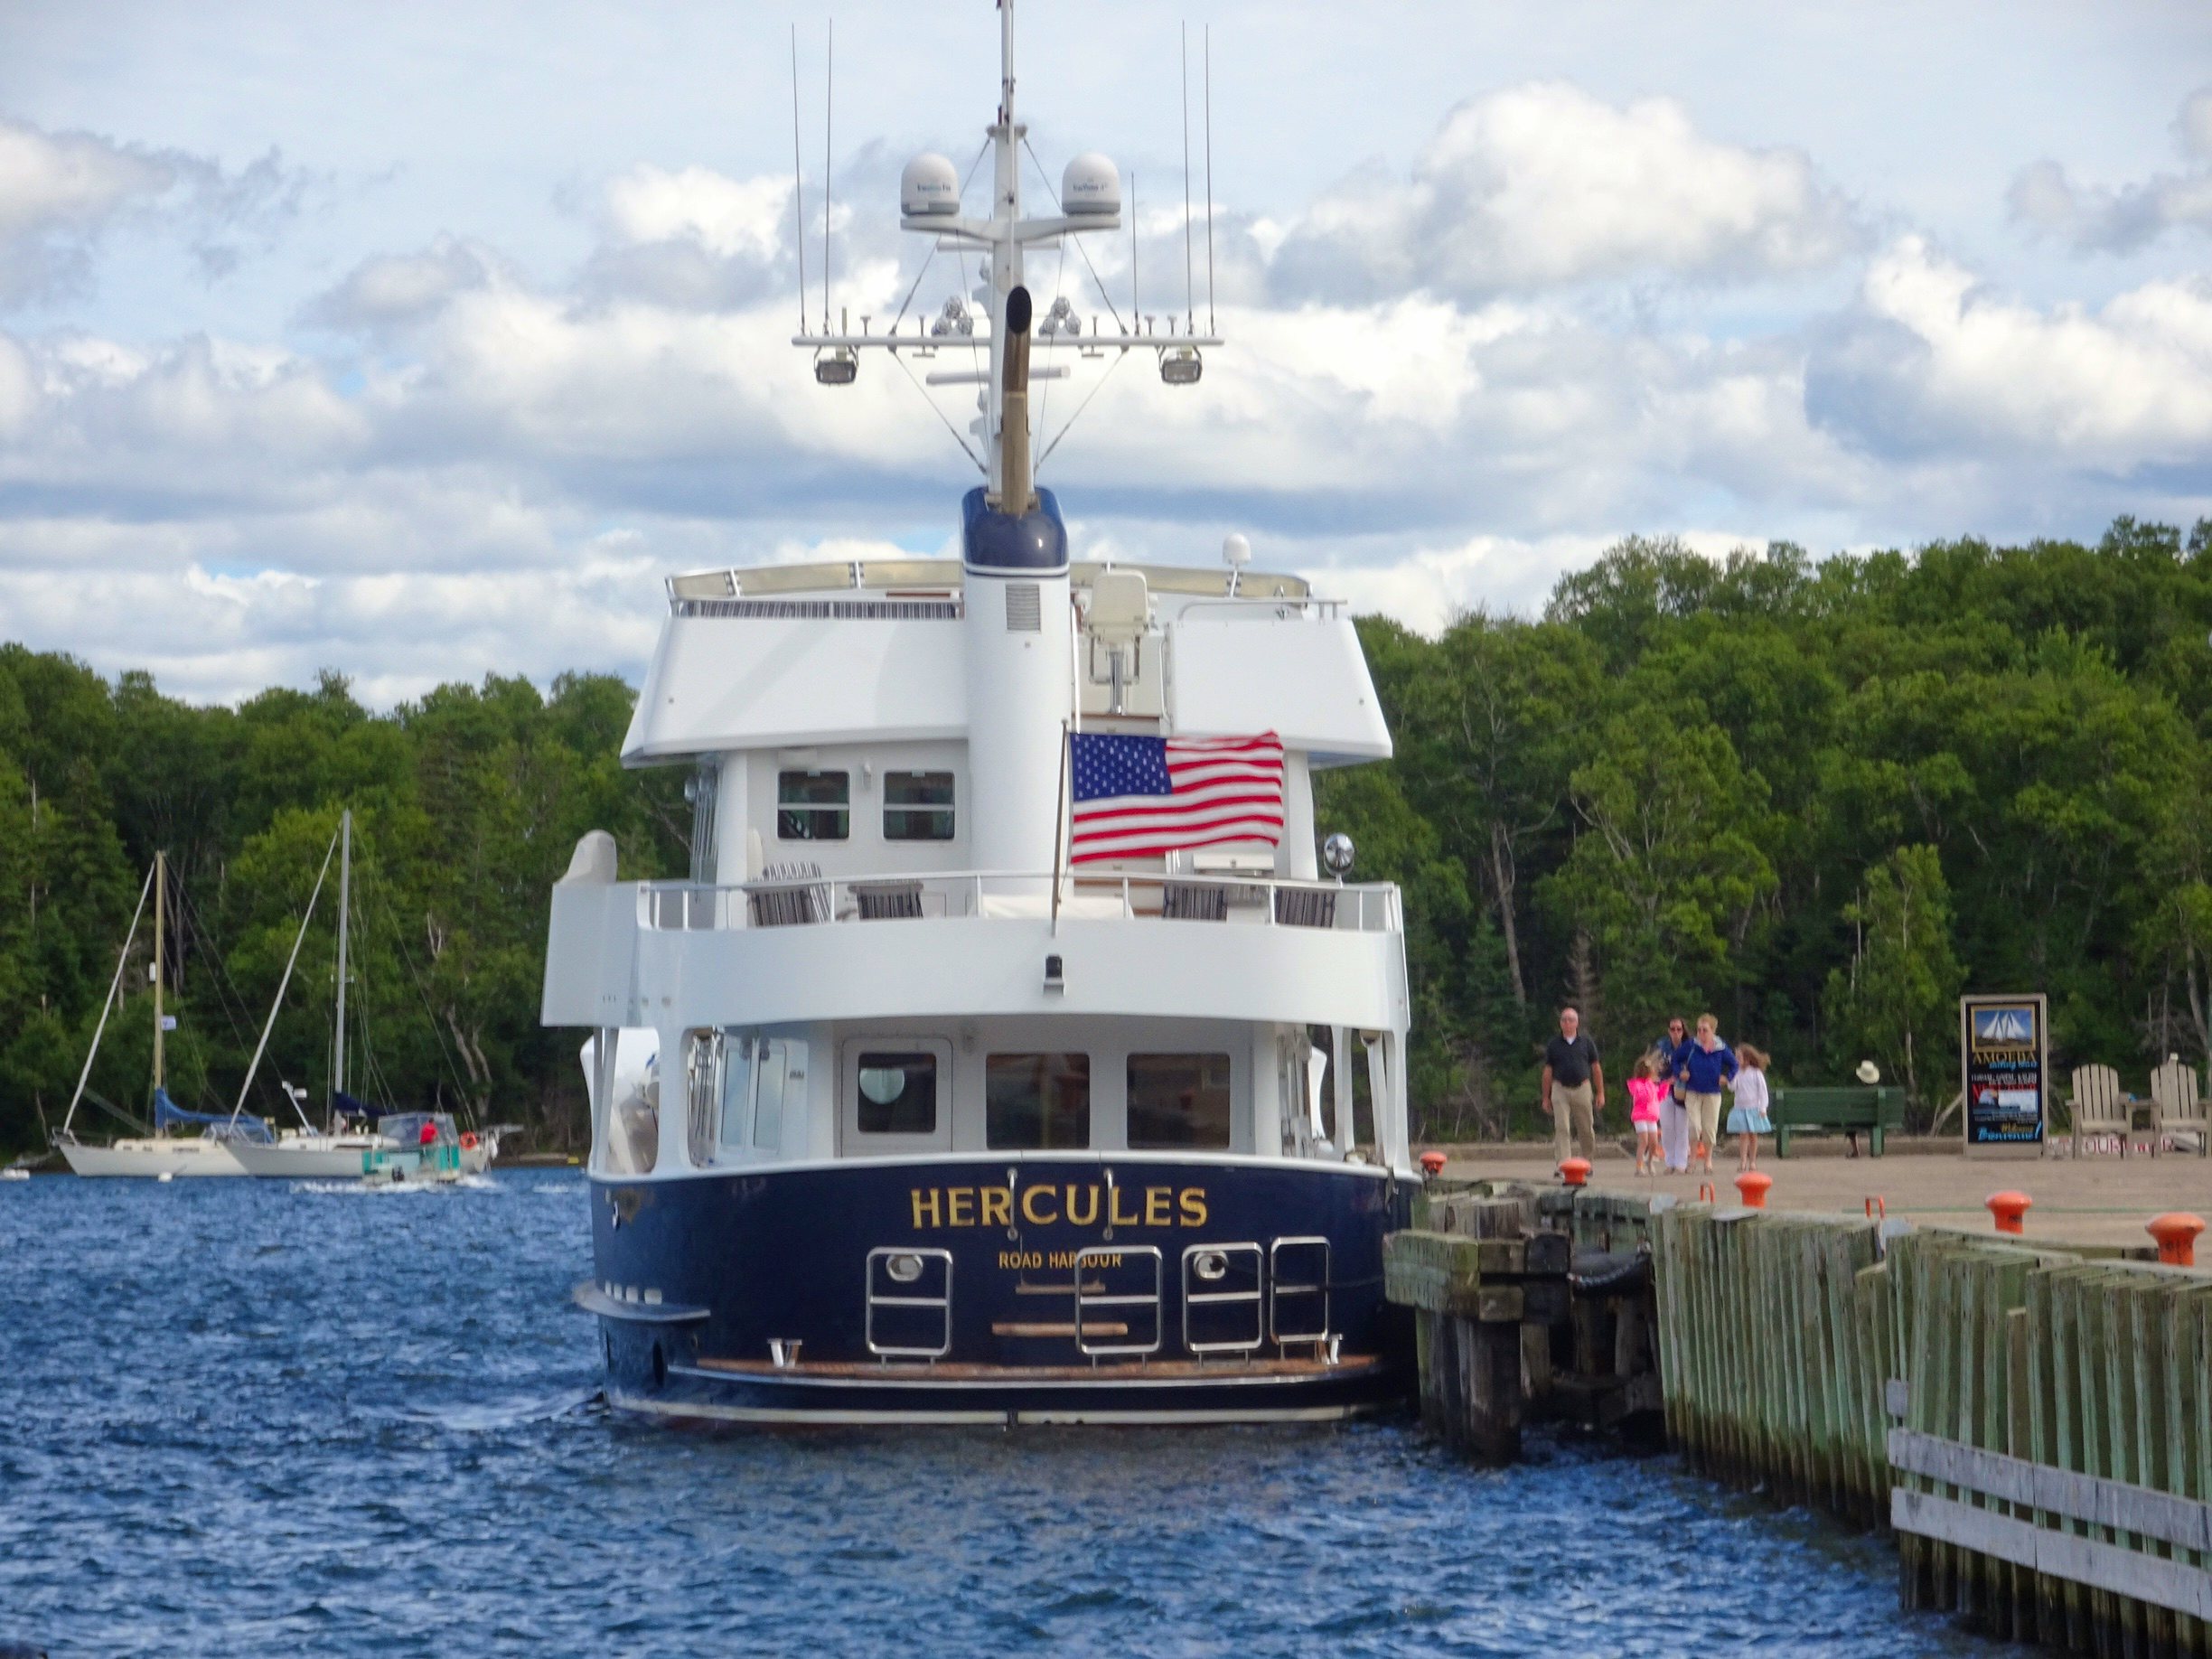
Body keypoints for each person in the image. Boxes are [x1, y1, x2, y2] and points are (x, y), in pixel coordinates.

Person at [1540, 1005, 1604, 1166]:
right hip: (1560, 1088)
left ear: (1577, 1023)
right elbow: (1548, 1071)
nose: (1567, 1023)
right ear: (1560, 1023)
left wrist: (1600, 1092)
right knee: (1562, 1128)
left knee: (1586, 1129)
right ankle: (1563, 1165)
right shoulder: (1554, 1044)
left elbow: (1596, 1068)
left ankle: (1586, 1162)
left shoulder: (1586, 1043)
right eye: (1564, 1020)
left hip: (1582, 1088)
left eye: (1571, 1020)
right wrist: (1545, 1097)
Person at [1675, 1014, 1737, 1176]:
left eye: (1705, 1030)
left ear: (1712, 1031)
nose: (1701, 1033)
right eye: (1699, 1030)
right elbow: (1675, 1060)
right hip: (1693, 1090)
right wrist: (1680, 1072)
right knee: (1694, 1126)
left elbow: (1734, 1065)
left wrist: (1727, 1077)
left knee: (1710, 1129)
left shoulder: (1721, 1048)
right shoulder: (1691, 1045)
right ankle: (1693, 1160)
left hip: (1713, 1092)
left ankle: (1708, 1160)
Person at [1655, 1017, 1692, 1173]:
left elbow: (1692, 1068)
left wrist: (1677, 1077)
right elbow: (1653, 1066)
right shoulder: (1662, 1046)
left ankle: (1681, 1163)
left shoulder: (1689, 1047)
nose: (1676, 1032)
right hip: (1664, 1089)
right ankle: (1670, 1162)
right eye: (1673, 1029)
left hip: (1683, 1090)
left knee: (1682, 1127)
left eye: (1679, 1029)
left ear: (1683, 1031)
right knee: (1667, 1127)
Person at [1729, 1045, 1773, 1171]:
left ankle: (1752, 1161)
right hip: (1740, 1108)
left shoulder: (1756, 1073)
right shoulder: (1737, 1073)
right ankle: (1743, 1161)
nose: (1736, 1060)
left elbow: (1763, 1092)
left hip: (1753, 1109)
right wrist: (1731, 1079)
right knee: (1743, 1135)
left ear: (1747, 1059)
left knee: (1753, 1135)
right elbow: (1732, 1088)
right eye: (1736, 1057)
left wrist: (1763, 1108)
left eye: (1739, 1057)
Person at [1626, 1053, 1669, 1176]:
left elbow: (1659, 1097)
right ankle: (1639, 1167)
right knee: (1643, 1141)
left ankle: (1649, 1161)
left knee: (1654, 1142)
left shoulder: (1652, 1085)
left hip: (1651, 1116)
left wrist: (1665, 1085)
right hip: (1640, 1116)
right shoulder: (1636, 1084)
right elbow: (1641, 1096)